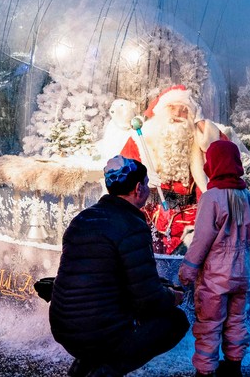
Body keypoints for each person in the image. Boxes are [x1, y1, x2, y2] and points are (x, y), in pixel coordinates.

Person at [49, 156, 190, 377]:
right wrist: (173, 297)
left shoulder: (83, 218)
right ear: (138, 188)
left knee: (106, 316)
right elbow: (148, 300)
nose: (147, 189)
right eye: (146, 184)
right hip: (97, 331)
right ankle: (106, 372)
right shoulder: (131, 225)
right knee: (175, 322)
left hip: (64, 328)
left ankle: (82, 368)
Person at [178, 140, 250, 377]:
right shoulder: (247, 197)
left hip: (215, 277)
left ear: (212, 165)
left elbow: (202, 239)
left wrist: (188, 269)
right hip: (241, 275)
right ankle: (234, 367)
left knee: (210, 325)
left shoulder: (211, 197)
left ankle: (205, 371)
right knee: (236, 320)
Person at [120, 85, 229, 254]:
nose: (178, 114)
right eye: (172, 108)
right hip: (150, 217)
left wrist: (201, 124)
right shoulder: (141, 139)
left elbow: (225, 153)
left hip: (191, 219)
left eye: (184, 110)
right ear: (161, 111)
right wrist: (143, 178)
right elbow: (120, 175)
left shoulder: (198, 139)